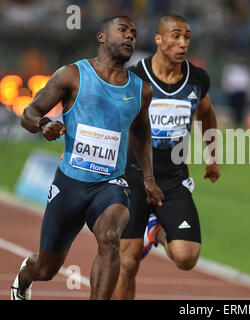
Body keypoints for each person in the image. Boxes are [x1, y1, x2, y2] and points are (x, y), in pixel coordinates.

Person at [11, 16, 164, 300]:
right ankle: (23, 277)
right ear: (101, 37)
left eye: (133, 33)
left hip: (110, 184)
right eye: (122, 30)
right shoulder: (72, 74)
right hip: (70, 183)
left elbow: (142, 134)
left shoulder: (141, 90)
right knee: (46, 268)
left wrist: (148, 178)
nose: (130, 36)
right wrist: (44, 124)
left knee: (110, 238)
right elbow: (28, 114)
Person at [112, 14, 220, 300]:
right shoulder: (135, 76)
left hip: (173, 177)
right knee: (128, 261)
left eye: (187, 37)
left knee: (187, 256)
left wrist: (212, 156)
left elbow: (207, 113)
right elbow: (113, 119)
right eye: (175, 36)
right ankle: (146, 234)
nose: (183, 42)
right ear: (158, 39)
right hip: (133, 174)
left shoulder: (198, 79)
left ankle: (155, 232)